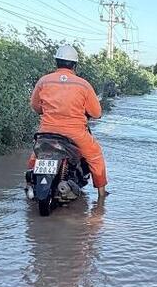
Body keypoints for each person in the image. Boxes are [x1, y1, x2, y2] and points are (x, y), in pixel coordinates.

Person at [27, 44, 107, 197]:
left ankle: (29, 184)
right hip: (75, 134)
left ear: (56, 62)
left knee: (36, 155)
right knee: (96, 156)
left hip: (46, 132)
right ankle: (101, 196)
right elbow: (96, 113)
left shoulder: (44, 81)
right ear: (74, 65)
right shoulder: (83, 84)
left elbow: (35, 106)